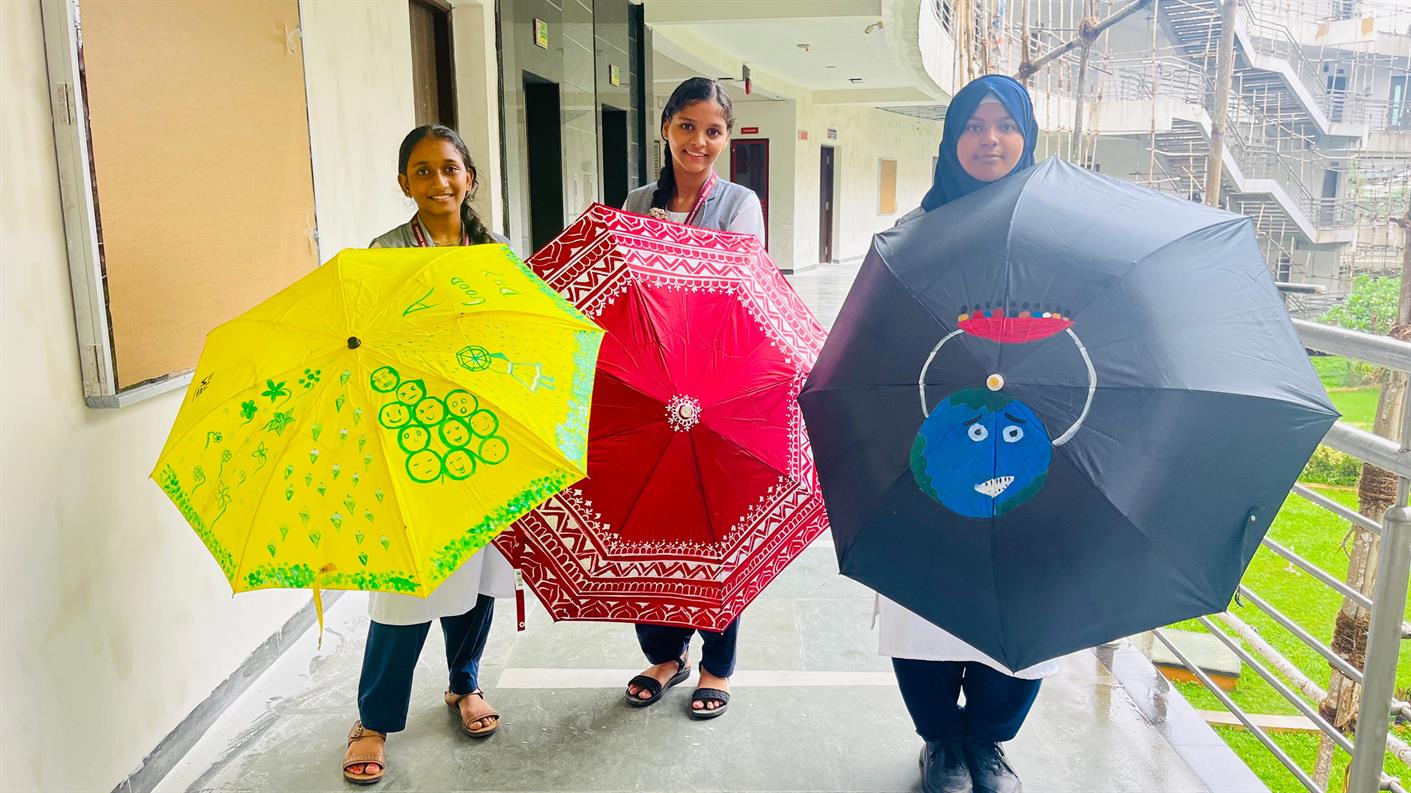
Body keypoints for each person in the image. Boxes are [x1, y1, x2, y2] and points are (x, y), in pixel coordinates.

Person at [883, 74, 1057, 793]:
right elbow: (882, 335)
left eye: (1005, 124)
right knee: (925, 593)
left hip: (1035, 441)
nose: (989, 139)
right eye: (973, 125)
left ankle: (987, 740)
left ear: (1026, 137)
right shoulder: (911, 236)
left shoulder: (1057, 227)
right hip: (935, 440)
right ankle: (940, 742)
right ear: (951, 141)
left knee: (1026, 595)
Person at [342, 124, 513, 786]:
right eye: (422, 171)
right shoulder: (384, 254)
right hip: (411, 435)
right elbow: (367, 344)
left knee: (476, 576)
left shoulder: (496, 252)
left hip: (482, 435)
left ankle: (464, 683)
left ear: (469, 175)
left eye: (449, 168)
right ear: (403, 183)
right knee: (404, 589)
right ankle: (373, 718)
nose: (438, 182)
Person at [618, 76, 765, 720]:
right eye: (687, 127)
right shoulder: (637, 200)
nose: (698, 141)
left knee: (713, 524)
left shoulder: (739, 204)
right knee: (653, 521)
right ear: (665, 129)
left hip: (715, 382)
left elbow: (736, 289)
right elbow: (628, 289)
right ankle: (664, 653)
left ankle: (716, 666)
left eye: (712, 130)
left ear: (725, 138)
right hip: (651, 382)